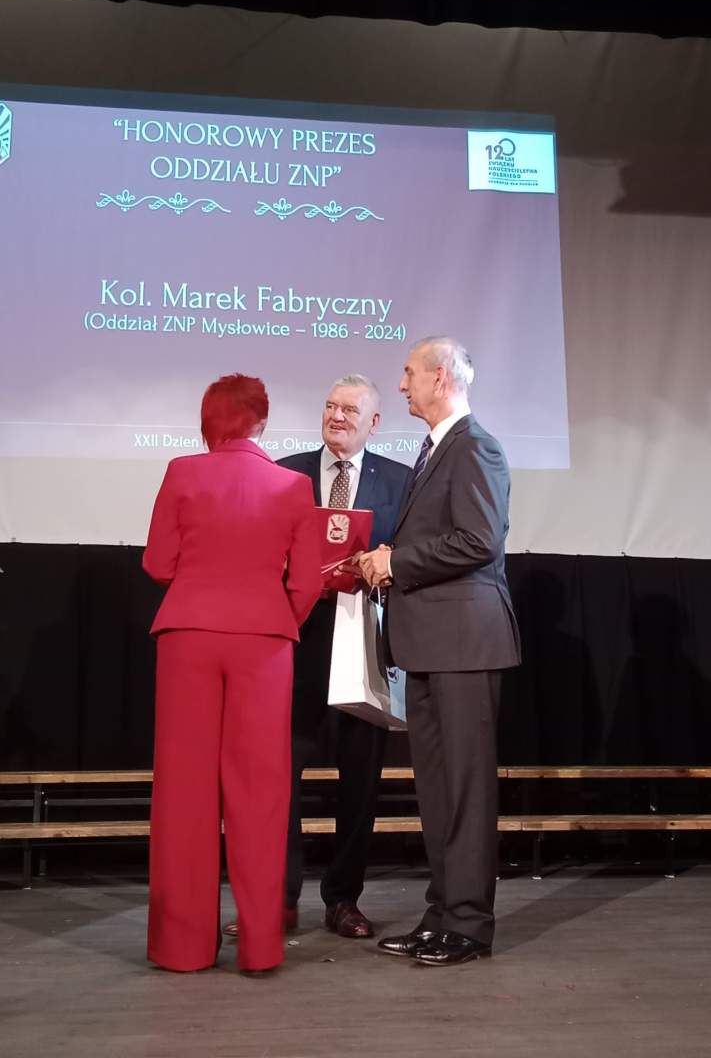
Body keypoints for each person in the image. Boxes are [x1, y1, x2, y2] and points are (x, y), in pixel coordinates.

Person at [143, 373, 321, 975]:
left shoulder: (181, 472)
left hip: (188, 637)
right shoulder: (293, 485)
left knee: (184, 792)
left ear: (208, 421)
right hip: (263, 645)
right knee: (261, 792)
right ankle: (260, 946)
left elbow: (157, 562)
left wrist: (202, 588)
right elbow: (307, 582)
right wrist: (270, 615)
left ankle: (183, 948)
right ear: (262, 422)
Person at [226, 374, 411, 941]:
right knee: (280, 772)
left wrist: (387, 558)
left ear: (374, 422)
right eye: (330, 405)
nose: (337, 416)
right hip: (294, 640)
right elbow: (253, 547)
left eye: (350, 409)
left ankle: (343, 899)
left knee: (361, 777)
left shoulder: (401, 481)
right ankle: (278, 898)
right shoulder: (284, 472)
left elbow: (413, 553)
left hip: (363, 642)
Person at [358, 338, 520, 966]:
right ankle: (442, 915)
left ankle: (470, 925)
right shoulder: (434, 450)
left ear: (441, 377)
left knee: (466, 790)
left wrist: (397, 563)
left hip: (464, 643)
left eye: (408, 373)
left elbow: (478, 540)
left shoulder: (476, 446)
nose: (401, 385)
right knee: (437, 790)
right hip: (430, 644)